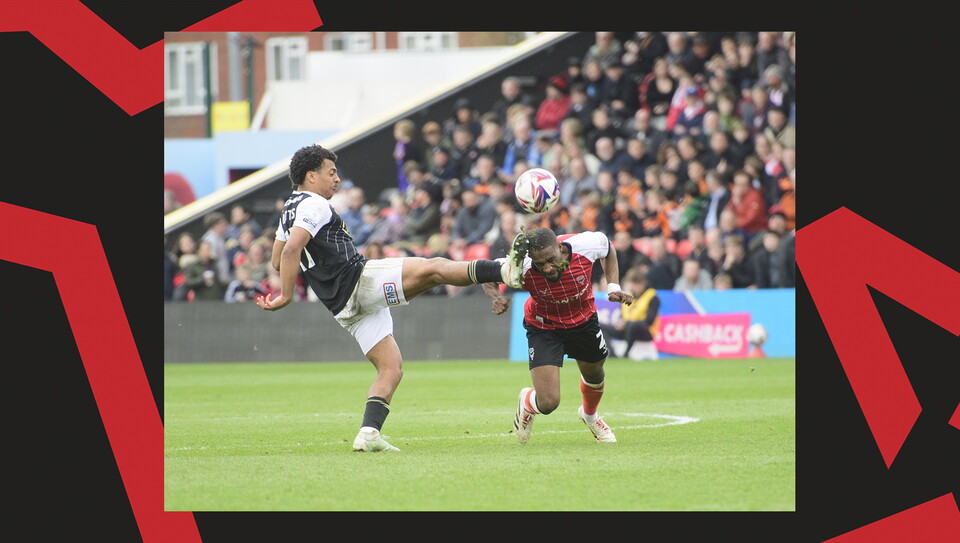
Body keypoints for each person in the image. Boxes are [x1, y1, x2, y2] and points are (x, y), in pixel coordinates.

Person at [256, 145, 530, 453]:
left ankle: (368, 433)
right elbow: (292, 251)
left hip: (343, 307)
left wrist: (304, 263)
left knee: (391, 368)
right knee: (434, 267)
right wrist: (286, 296)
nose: (336, 179)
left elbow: (278, 260)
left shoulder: (289, 209)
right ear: (311, 176)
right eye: (331, 172)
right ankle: (506, 270)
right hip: (358, 281)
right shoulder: (314, 204)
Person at [481, 227, 634, 444]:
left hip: (583, 321)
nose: (547, 267)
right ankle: (527, 401)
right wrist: (495, 297)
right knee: (548, 403)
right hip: (544, 327)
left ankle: (590, 415)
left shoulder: (586, 245)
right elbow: (486, 274)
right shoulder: (521, 264)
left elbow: (608, 248)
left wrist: (613, 286)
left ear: (560, 248)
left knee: (595, 374)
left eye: (551, 259)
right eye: (539, 263)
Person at [599, 267, 660, 360]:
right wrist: (621, 322)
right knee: (600, 326)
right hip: (627, 328)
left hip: (644, 331)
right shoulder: (628, 296)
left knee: (634, 325)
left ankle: (626, 354)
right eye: (632, 283)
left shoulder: (652, 297)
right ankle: (612, 354)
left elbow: (649, 320)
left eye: (636, 284)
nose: (634, 287)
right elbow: (624, 315)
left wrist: (627, 323)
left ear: (643, 283)